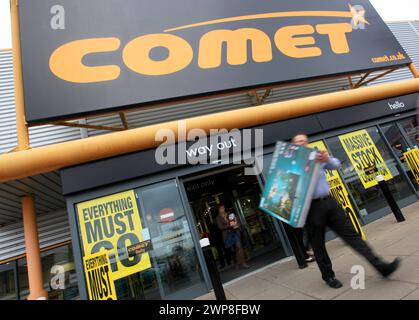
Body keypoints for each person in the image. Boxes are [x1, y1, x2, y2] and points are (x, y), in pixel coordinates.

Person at [292, 133, 400, 288]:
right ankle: (328, 276)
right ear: (294, 146)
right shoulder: (293, 164)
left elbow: (336, 165)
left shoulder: (316, 157)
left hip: (330, 202)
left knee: (353, 236)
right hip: (311, 208)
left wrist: (327, 159)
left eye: (304, 140)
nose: (302, 143)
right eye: (299, 141)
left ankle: (382, 267)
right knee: (319, 245)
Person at [215, 204, 250, 269]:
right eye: (220, 208)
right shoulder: (218, 218)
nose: (222, 209)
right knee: (233, 250)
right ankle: (236, 263)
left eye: (223, 208)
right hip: (227, 235)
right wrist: (230, 226)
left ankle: (243, 263)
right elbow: (221, 227)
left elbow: (236, 221)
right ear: (218, 210)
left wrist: (237, 224)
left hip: (235, 232)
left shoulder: (230, 214)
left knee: (239, 247)